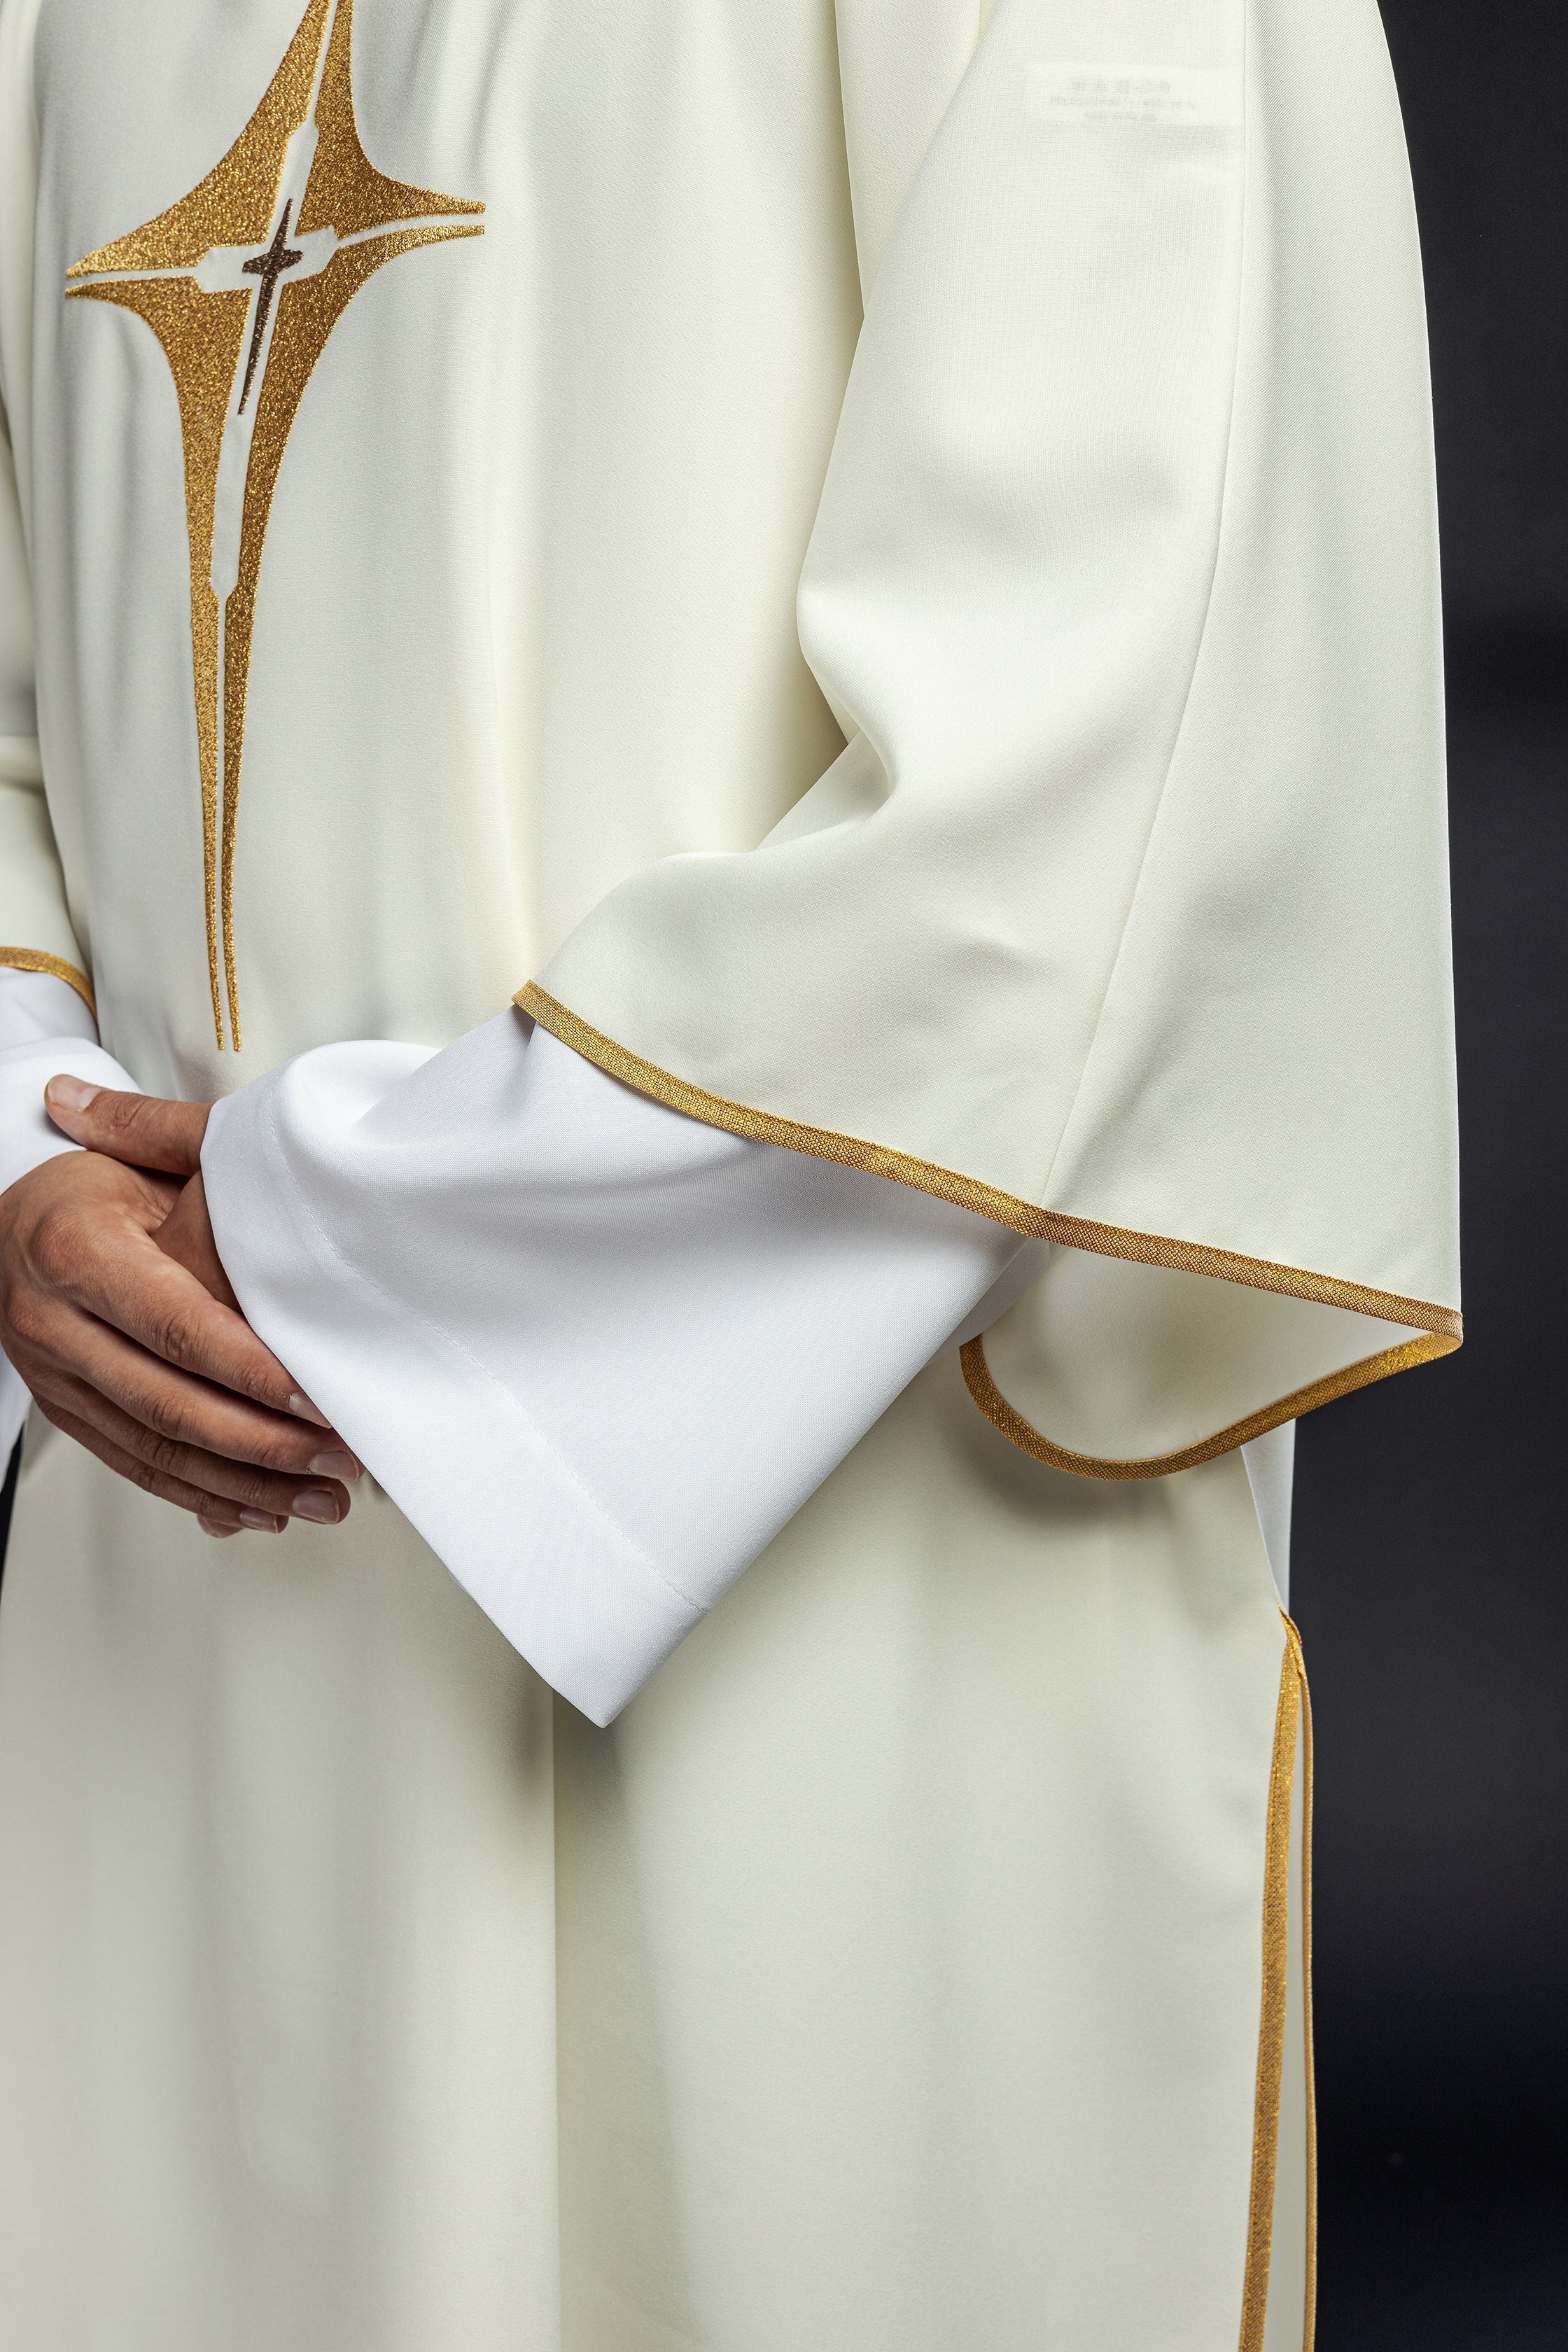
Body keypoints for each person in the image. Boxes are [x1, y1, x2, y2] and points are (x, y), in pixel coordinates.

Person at [0, 0, 1458, 2344]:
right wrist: (20, 1151)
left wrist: (334, 1235)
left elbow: (1097, 746)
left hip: (850, 1524)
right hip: (170, 1571)